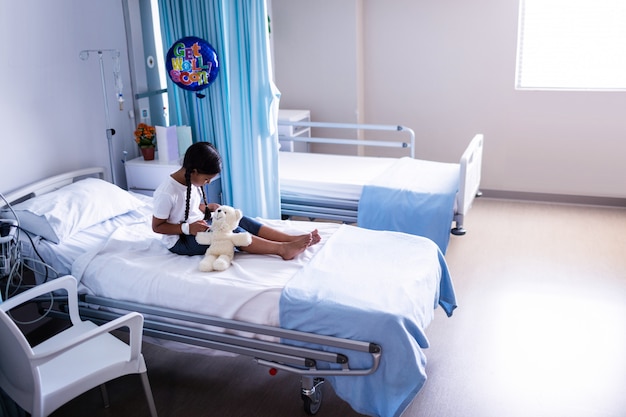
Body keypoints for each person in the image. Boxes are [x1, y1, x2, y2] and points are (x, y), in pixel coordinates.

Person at [152, 141, 320, 260]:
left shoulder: (191, 180)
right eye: (207, 179)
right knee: (230, 233)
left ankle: (289, 239)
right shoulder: (167, 193)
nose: (208, 183)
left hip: (197, 226)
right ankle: (282, 250)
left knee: (238, 218)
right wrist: (189, 228)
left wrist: (207, 209)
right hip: (180, 241)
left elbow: (188, 208)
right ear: (194, 171)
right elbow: (157, 226)